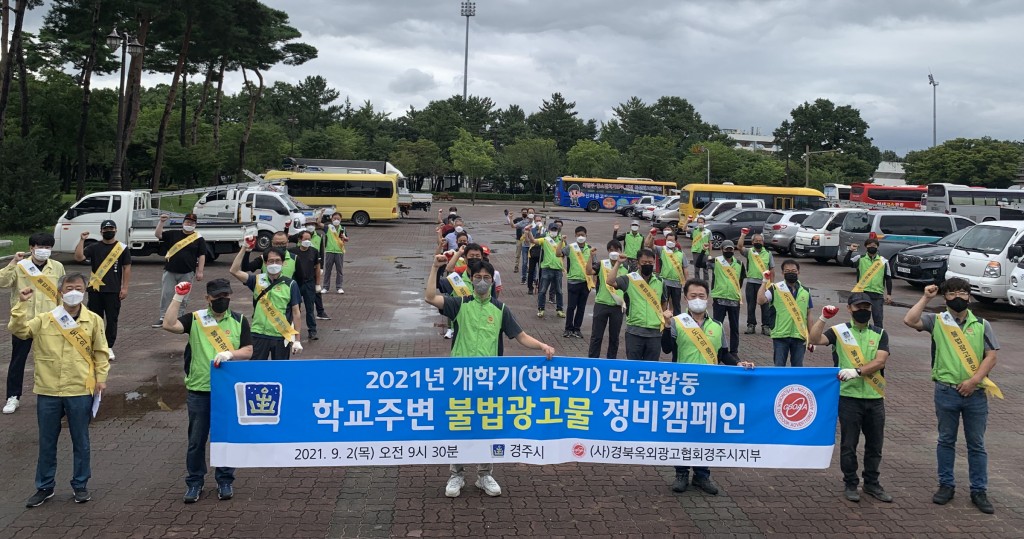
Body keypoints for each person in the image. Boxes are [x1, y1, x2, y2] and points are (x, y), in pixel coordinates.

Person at [424, 255, 555, 498]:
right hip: (460, 378)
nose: (482, 282)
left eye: (486, 278)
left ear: (492, 281)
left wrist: (542, 346)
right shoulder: (459, 304)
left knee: (487, 426)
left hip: (489, 380)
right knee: (460, 425)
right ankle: (456, 474)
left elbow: (521, 336)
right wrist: (435, 267)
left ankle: (484, 474)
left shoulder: (500, 309)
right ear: (471, 280)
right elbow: (430, 297)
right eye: (477, 278)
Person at [12, 273, 109, 507]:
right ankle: (44, 487)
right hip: (48, 389)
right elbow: (20, 330)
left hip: (79, 388)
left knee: (81, 441)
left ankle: (80, 485)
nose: (73, 291)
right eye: (69, 287)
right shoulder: (46, 318)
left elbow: (101, 352)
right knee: (47, 441)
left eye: (78, 287)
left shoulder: (94, 320)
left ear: (85, 291)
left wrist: (101, 379)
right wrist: (21, 303)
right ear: (60, 291)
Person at [904, 279, 1000, 515]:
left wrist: (974, 381)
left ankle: (979, 490)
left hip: (975, 393)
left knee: (976, 444)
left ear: (969, 296)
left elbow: (991, 356)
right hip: (946, 391)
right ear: (945, 296)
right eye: (953, 292)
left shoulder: (981, 324)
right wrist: (926, 298)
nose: (958, 296)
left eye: (963, 292)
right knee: (946, 440)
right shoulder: (937, 321)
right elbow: (909, 320)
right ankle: (946, 485)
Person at [161, 278, 253, 503]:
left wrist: (231, 354)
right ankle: (195, 482)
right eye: (217, 297)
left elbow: (249, 350)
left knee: (225, 438)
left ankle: (225, 480)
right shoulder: (195, 319)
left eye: (225, 296)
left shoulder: (239, 320)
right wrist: (178, 297)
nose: (222, 300)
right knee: (196, 440)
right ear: (207, 299)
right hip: (199, 389)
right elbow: (169, 324)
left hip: (226, 391)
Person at [663, 279, 753, 495]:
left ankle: (702, 475)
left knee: (705, 431)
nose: (697, 300)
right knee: (683, 431)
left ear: (708, 299)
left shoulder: (717, 326)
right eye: (693, 296)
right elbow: (666, 349)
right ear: (686, 298)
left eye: (701, 296)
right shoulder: (678, 322)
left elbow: (723, 354)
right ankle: (681, 473)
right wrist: (666, 325)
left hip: (709, 388)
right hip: (684, 387)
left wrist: (738, 363)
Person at [808, 295, 891, 503]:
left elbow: (880, 361)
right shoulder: (839, 332)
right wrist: (823, 318)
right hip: (848, 397)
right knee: (849, 444)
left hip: (874, 397)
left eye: (866, 306)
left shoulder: (880, 333)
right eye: (859, 306)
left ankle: (872, 483)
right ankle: (851, 482)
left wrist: (857, 371)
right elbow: (814, 339)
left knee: (875, 445)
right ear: (849, 308)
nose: (863, 310)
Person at [1, 233, 65, 414]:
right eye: (40, 247)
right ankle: (13, 397)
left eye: (48, 247)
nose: (44, 250)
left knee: (51, 360)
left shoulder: (58, 267)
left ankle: (52, 395)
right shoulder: (21, 266)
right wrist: (13, 262)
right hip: (24, 322)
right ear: (31, 248)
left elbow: (61, 294)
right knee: (18, 361)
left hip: (48, 322)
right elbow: (2, 282)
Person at [229, 246, 302, 360]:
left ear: (283, 262)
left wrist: (297, 339)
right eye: (270, 261)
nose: (274, 264)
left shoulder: (291, 284)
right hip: (258, 334)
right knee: (256, 372)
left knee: (279, 373)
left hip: (281, 336)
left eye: (277, 261)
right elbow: (234, 270)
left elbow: (296, 312)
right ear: (265, 263)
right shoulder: (257, 281)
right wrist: (244, 248)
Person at [610, 248, 669, 361]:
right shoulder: (629, 279)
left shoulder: (660, 281)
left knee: (651, 369)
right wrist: (618, 263)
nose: (648, 265)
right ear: (638, 263)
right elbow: (610, 281)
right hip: (634, 332)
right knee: (633, 368)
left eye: (651, 263)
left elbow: (663, 301)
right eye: (644, 263)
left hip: (655, 333)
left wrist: (662, 319)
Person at [154, 213, 206, 327]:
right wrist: (161, 222)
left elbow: (202, 255)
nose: (189, 224)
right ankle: (163, 317)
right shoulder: (173, 234)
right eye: (187, 222)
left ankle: (179, 317)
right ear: (183, 223)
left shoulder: (199, 238)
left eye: (192, 223)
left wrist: (200, 271)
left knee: (183, 297)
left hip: (187, 272)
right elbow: (158, 235)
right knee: (166, 294)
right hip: (170, 270)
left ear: (195, 225)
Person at [757, 259, 813, 367]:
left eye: (793, 270)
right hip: (780, 335)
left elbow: (809, 314)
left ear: (798, 272)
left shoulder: (806, 291)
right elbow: (760, 300)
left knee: (797, 368)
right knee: (779, 367)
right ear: (782, 273)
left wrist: (811, 337)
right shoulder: (775, 288)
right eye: (787, 271)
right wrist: (764, 281)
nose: (791, 273)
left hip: (799, 335)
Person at [588, 240, 628, 359]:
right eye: (611, 250)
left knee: (614, 337)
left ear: (620, 251)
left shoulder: (627, 266)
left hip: (618, 305)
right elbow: (589, 271)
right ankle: (592, 360)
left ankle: (611, 361)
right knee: (596, 336)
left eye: (616, 250)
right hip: (601, 303)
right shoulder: (602, 264)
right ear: (608, 252)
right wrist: (590, 256)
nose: (614, 252)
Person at [843, 235, 893, 327]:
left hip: (877, 294)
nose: (872, 247)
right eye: (870, 246)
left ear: (877, 247)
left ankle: (878, 338)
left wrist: (889, 294)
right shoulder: (860, 258)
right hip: (863, 293)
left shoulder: (883, 261)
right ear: (866, 246)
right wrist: (850, 250)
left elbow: (888, 278)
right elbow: (846, 262)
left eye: (874, 246)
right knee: (861, 317)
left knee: (878, 319)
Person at [710, 241, 743, 361]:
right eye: (726, 249)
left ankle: (734, 351)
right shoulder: (716, 261)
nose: (729, 251)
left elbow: (741, 280)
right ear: (722, 249)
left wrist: (735, 291)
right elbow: (699, 263)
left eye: (731, 249)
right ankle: (717, 349)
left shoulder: (739, 263)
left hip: (734, 300)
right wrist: (704, 251)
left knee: (734, 327)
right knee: (717, 326)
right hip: (720, 298)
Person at [737, 229, 774, 336]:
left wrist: (772, 283)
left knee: (765, 306)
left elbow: (772, 269)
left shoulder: (768, 253)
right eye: (756, 240)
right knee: (751, 305)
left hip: (764, 284)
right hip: (751, 283)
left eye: (760, 240)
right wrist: (743, 235)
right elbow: (739, 247)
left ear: (763, 242)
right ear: (752, 242)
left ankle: (766, 326)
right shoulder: (749, 252)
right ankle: (751, 325)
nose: (758, 242)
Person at [561, 226, 596, 338]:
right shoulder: (571, 248)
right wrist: (561, 241)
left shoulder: (590, 249)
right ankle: (568, 329)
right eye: (578, 235)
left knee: (581, 308)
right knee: (571, 307)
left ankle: (577, 329)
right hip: (573, 281)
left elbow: (595, 266)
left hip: (586, 283)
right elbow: (558, 253)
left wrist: (594, 281)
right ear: (575, 235)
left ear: (586, 236)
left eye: (583, 235)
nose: (581, 237)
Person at [289, 230, 322, 341]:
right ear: (299, 240)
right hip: (296, 284)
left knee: (310, 308)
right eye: (305, 239)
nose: (307, 241)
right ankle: (291, 330)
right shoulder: (292, 252)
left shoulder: (314, 251)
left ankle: (312, 330)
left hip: (309, 283)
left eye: (309, 239)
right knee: (295, 308)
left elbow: (317, 268)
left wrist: (317, 283)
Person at [531, 223, 566, 318]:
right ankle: (541, 309)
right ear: (549, 230)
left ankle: (560, 309)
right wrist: (527, 232)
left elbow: (563, 254)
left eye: (555, 230)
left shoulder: (562, 240)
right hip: (547, 269)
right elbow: (532, 240)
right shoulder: (545, 239)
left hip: (558, 269)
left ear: (558, 231)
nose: (553, 231)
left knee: (559, 291)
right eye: (552, 229)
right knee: (542, 290)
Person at [653, 232, 688, 316]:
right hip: (664, 282)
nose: (670, 242)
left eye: (672, 240)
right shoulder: (662, 250)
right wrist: (652, 235)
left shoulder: (681, 254)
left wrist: (686, 283)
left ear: (676, 242)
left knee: (676, 305)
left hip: (677, 283)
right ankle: (662, 322)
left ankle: (677, 323)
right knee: (663, 303)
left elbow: (685, 269)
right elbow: (649, 245)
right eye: (668, 240)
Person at [304, 222, 330, 321]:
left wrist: (321, 267)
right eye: (308, 224)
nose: (310, 226)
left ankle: (320, 311)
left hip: (314, 266)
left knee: (317, 290)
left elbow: (321, 252)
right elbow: (287, 239)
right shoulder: (300, 235)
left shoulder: (319, 236)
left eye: (312, 224)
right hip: (301, 266)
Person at [323, 212, 348, 294]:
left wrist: (345, 238)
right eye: (334, 219)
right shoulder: (328, 228)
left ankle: (339, 287)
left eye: (338, 219)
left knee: (339, 270)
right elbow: (319, 223)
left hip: (339, 252)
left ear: (340, 220)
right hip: (329, 251)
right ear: (332, 219)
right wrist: (321, 214)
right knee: (328, 270)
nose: (336, 220)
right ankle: (325, 287)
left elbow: (346, 239)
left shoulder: (343, 229)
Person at [525, 214, 546, 294]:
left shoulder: (545, 230)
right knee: (531, 271)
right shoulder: (532, 229)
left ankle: (540, 287)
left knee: (541, 271)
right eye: (536, 220)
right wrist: (527, 233)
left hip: (542, 253)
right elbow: (527, 240)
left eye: (539, 220)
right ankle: (530, 287)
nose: (538, 222)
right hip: (533, 253)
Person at [690, 217, 711, 281]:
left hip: (705, 252)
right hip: (695, 251)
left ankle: (706, 283)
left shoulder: (708, 232)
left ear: (704, 223)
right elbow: (684, 228)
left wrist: (710, 254)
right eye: (699, 222)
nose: (700, 223)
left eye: (701, 222)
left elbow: (710, 243)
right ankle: (697, 282)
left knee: (705, 269)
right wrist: (688, 221)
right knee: (696, 269)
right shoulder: (694, 230)